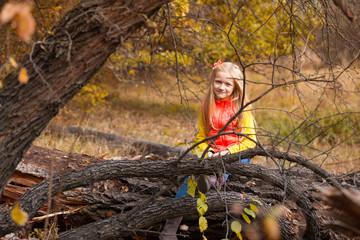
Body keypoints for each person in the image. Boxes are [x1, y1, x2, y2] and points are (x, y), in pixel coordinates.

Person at [159, 61, 257, 240]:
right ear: (212, 82)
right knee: (190, 180)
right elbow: (200, 139)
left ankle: (212, 180)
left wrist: (228, 152)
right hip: (212, 150)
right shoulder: (207, 104)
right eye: (218, 82)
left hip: (236, 153)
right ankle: (168, 230)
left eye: (228, 84)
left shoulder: (242, 106)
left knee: (222, 165)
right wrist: (208, 151)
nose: (222, 87)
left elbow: (250, 142)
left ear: (236, 87)